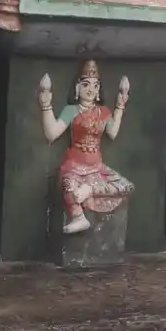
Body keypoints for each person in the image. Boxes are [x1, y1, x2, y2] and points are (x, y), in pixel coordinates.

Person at [38, 61, 134, 234]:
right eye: (85, 85)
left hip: (97, 168)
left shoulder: (103, 112)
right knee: (69, 186)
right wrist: (46, 105)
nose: (91, 90)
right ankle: (78, 217)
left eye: (95, 86)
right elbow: (52, 133)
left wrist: (120, 105)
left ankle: (90, 189)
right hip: (74, 166)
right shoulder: (71, 111)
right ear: (77, 88)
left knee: (126, 186)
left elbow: (112, 132)